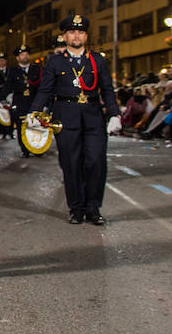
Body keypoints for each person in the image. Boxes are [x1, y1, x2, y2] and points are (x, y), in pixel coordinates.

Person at [28, 14, 121, 225]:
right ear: (65, 36)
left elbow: (107, 88)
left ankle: (94, 208)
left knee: (96, 162)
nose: (76, 35)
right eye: (72, 32)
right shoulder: (54, 61)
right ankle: (76, 208)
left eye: (80, 32)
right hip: (65, 117)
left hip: (93, 116)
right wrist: (33, 112)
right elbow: (45, 89)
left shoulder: (97, 60)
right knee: (71, 164)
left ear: (86, 36)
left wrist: (115, 113)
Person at [3, 45, 42, 157]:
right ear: (17, 58)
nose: (24, 56)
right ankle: (25, 149)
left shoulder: (36, 69)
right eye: (21, 55)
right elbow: (7, 87)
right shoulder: (13, 71)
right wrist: (3, 99)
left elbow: (42, 87)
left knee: (36, 125)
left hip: (33, 101)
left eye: (26, 54)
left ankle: (37, 148)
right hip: (19, 102)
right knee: (21, 127)